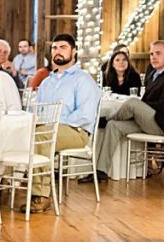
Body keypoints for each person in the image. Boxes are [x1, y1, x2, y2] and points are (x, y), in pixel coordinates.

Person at [25, 33, 101, 212]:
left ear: (74, 52)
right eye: (54, 48)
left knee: (42, 137)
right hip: (48, 127)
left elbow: (85, 115)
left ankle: (41, 195)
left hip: (76, 132)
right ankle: (7, 186)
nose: (57, 52)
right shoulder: (47, 82)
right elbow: (37, 109)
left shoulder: (83, 80)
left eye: (63, 48)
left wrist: (52, 123)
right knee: (21, 133)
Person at [95, 40, 164, 180]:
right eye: (151, 54)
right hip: (147, 121)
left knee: (132, 102)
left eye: (158, 53)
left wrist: (140, 106)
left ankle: (105, 119)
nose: (153, 57)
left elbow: (161, 105)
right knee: (113, 125)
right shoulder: (152, 74)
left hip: (160, 123)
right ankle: (100, 171)